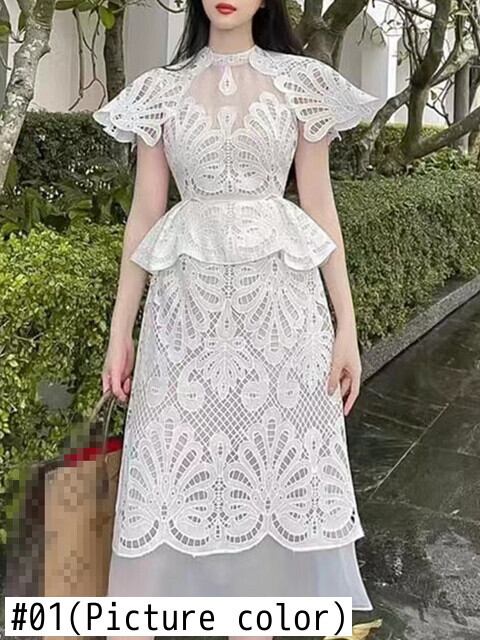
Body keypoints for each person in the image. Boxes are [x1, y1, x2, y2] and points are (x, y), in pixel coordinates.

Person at [92, 0, 382, 638]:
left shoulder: (302, 84)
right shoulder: (159, 91)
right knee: (171, 471)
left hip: (283, 319)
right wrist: (120, 331)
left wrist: (347, 327)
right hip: (182, 321)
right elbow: (144, 213)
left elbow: (320, 205)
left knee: (278, 472)